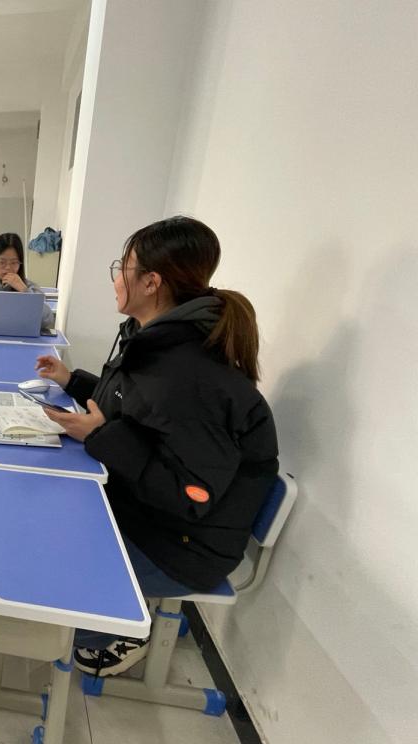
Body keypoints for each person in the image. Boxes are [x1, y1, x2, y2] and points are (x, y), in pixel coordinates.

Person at [34, 216, 278, 677]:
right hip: (146, 514)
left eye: (121, 269)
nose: (115, 281)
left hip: (180, 548)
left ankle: (124, 630)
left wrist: (101, 436)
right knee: (42, 521)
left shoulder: (189, 373)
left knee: (40, 597)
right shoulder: (157, 342)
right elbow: (129, 408)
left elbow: (191, 494)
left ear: (151, 282)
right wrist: (73, 381)